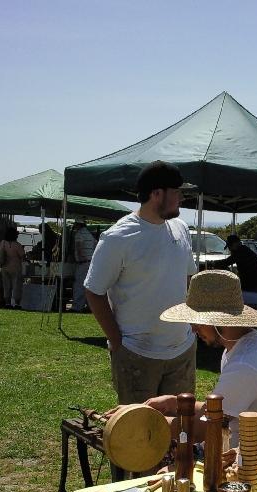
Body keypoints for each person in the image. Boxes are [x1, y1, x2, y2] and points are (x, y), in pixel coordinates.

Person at [145, 269, 257, 456]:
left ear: (220, 321)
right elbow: (217, 411)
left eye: (198, 321)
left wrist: (143, 420)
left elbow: (205, 429)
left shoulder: (247, 363)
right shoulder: (242, 345)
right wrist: (174, 404)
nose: (193, 327)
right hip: (249, 455)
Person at [84, 161, 198, 404]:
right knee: (138, 435)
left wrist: (192, 326)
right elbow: (94, 290)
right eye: (177, 192)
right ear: (157, 194)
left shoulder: (180, 229)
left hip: (182, 350)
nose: (181, 198)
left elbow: (188, 277)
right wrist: (117, 341)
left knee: (181, 432)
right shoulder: (118, 237)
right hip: (137, 353)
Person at [70, 216, 96, 312]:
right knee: (88, 285)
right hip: (90, 262)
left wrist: (80, 259)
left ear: (77, 224)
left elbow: (79, 248)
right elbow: (95, 244)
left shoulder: (79, 234)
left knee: (79, 285)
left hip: (83, 262)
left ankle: (77, 307)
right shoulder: (89, 234)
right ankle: (87, 306)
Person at [0, 225, 25, 309]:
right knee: (16, 286)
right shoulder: (17, 245)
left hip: (4, 267)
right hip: (16, 267)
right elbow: (22, 256)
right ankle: (16, 303)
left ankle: (7, 303)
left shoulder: (2, 243)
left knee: (6, 286)